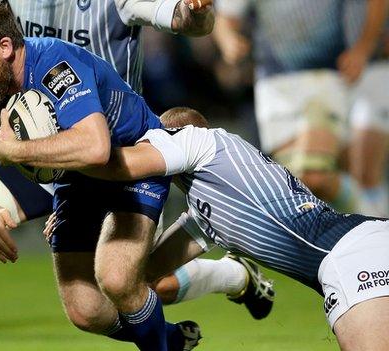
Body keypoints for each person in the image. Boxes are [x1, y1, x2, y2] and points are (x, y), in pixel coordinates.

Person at [0, 0, 274, 349]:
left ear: (5, 47)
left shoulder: (59, 60)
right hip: (64, 165)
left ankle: (227, 269)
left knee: (131, 280)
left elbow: (96, 147)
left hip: (125, 155)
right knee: (85, 309)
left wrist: (194, 12)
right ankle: (167, 337)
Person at [46, 107, 389, 350]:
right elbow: (143, 275)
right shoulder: (207, 212)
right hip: (363, 245)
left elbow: (124, 166)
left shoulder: (199, 141)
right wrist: (77, 221)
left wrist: (68, 171)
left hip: (348, 257)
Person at [212, 0, 388, 214]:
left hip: (326, 79)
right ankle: (365, 217)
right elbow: (225, 18)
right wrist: (228, 41)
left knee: (316, 176)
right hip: (274, 88)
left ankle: (374, 221)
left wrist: (363, 49)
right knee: (297, 183)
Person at [343, 1, 389, 217]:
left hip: (377, 69)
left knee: (365, 171)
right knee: (350, 172)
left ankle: (378, 239)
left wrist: (363, 49)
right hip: (340, 73)